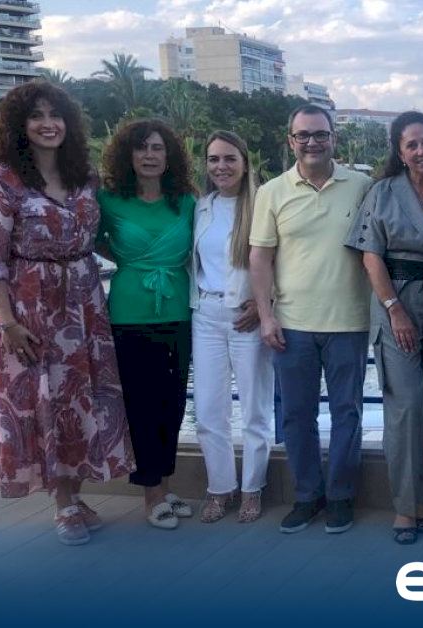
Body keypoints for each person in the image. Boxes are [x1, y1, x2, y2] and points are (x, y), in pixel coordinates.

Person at [0, 81, 133, 545]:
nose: (48, 124)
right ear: (19, 126)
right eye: (37, 116)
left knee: (83, 400)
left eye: (55, 115)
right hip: (32, 308)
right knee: (46, 401)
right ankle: (62, 502)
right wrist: (7, 321)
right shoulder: (1, 182)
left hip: (84, 303)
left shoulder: (85, 177)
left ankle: (75, 494)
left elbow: (100, 238)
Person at [249, 104, 374, 535]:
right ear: (291, 141)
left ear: (333, 138)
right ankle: (306, 496)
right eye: (303, 135)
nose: (312, 142)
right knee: (296, 416)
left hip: (349, 321)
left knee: (347, 414)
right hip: (292, 324)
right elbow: (260, 257)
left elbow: (377, 248)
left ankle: (340, 496)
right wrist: (266, 316)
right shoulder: (272, 192)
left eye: (320, 134)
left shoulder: (361, 186)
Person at [347, 111, 423, 545]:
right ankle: (404, 506)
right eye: (411, 144)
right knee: (406, 405)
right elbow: (370, 256)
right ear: (399, 152)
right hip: (396, 300)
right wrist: (394, 308)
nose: (420, 151)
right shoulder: (382, 192)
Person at [97, 118, 196, 530]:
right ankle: (151, 494)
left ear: (169, 156)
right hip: (129, 314)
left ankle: (165, 486)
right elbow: (92, 240)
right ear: (128, 155)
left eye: (157, 148)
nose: (150, 155)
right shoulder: (108, 200)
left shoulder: (186, 202)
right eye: (142, 148)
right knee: (141, 406)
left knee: (172, 405)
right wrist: (130, 259)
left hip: (178, 311)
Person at [191, 130, 273, 524]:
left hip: (248, 317)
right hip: (206, 316)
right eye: (213, 159)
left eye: (229, 158)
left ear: (244, 163)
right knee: (209, 410)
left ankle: (253, 487)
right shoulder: (201, 208)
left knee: (255, 409)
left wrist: (264, 304)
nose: (221, 166)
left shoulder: (261, 205)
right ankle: (220, 487)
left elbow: (280, 259)